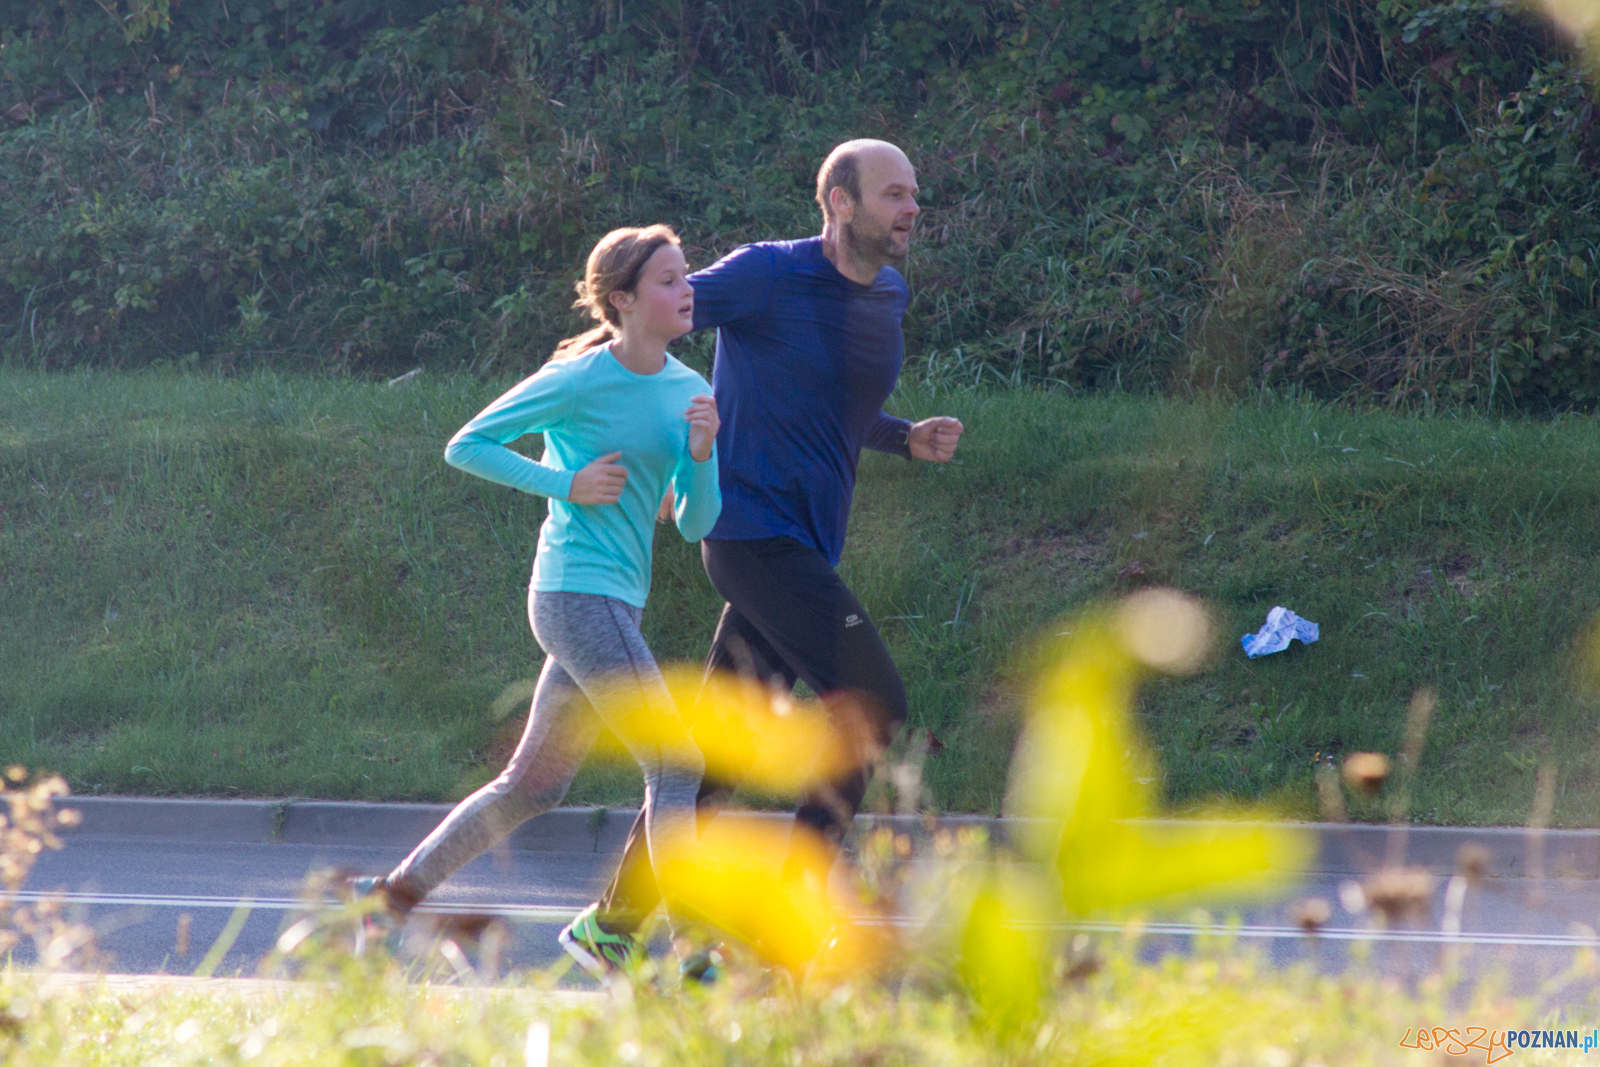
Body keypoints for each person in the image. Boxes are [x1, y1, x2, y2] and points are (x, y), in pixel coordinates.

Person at [566, 138, 965, 978]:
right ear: (840, 203)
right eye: (894, 194)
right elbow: (650, 319)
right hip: (750, 534)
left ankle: (615, 924)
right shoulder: (765, 275)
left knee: (718, 756)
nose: (911, 209)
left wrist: (902, 436)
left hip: (804, 540)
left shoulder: (887, 293)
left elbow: (836, 403)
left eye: (914, 194)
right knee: (873, 702)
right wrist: (662, 452)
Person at [352, 225, 718, 980]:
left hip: (620, 602)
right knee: (678, 761)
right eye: (668, 280)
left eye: (687, 278)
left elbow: (695, 522)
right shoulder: (580, 380)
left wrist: (705, 457)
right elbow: (468, 443)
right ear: (622, 299)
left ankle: (390, 900)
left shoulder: (691, 390)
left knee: (534, 787)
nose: (686, 291)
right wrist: (565, 484)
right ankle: (693, 957)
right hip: (571, 593)